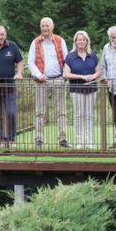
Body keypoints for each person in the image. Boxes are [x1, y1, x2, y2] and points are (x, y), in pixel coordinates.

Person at [28, 17, 69, 148]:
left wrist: (64, 76)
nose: (45, 28)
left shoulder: (60, 40)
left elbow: (66, 59)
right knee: (39, 111)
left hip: (58, 79)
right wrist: (39, 75)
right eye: (42, 26)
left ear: (52, 27)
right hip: (41, 81)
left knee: (61, 111)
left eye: (47, 26)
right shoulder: (35, 42)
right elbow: (30, 62)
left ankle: (63, 139)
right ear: (40, 27)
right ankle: (39, 139)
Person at [63, 30, 101, 149]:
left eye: (83, 39)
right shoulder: (70, 56)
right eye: (79, 39)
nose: (81, 41)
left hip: (92, 89)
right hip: (76, 89)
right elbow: (66, 74)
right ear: (75, 41)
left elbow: (99, 71)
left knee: (89, 115)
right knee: (79, 115)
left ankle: (90, 142)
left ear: (87, 41)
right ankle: (79, 141)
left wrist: (93, 77)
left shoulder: (93, 54)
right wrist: (82, 77)